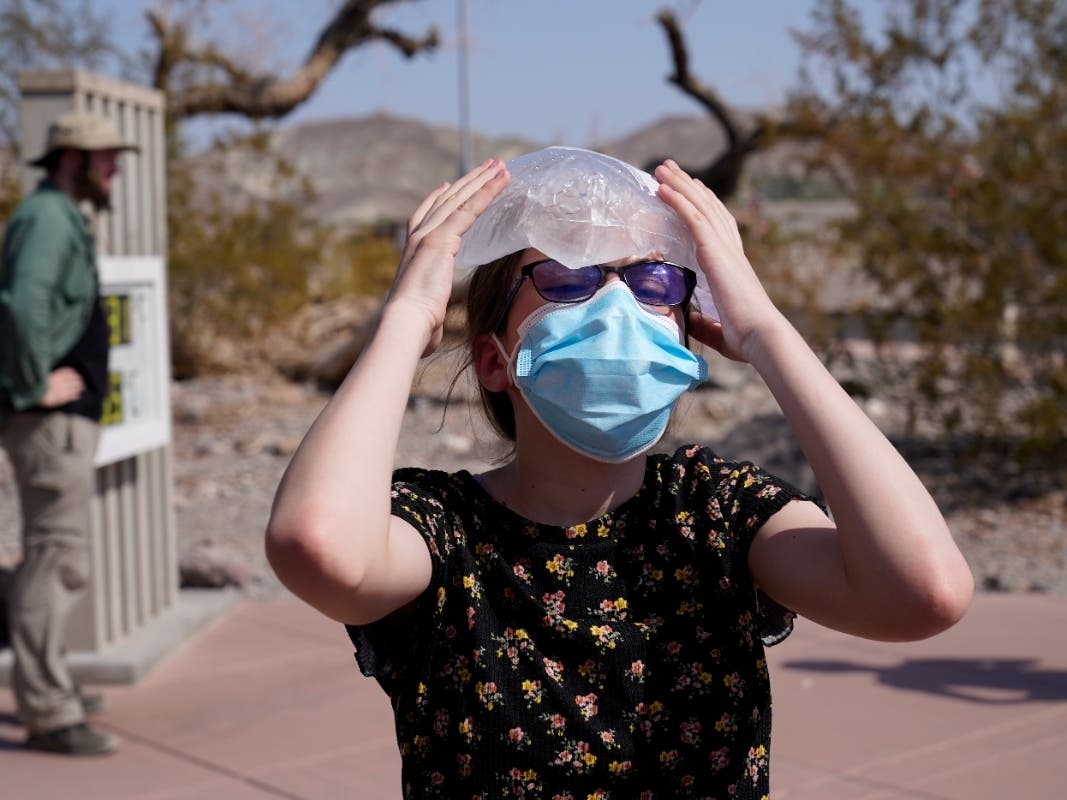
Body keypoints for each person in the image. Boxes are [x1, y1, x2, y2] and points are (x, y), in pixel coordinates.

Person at [265, 147, 974, 797]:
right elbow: (316, 545)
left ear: (689, 334)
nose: (615, 305)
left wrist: (765, 333)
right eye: (567, 278)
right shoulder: (444, 530)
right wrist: (410, 313)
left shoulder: (715, 512)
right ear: (493, 360)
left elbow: (922, 593)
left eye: (652, 280)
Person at [0, 111, 138, 756]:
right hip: (47, 419)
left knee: (60, 558)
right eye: (106, 156)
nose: (115, 168)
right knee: (54, 558)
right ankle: (48, 710)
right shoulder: (48, 218)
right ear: (73, 159)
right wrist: (31, 386)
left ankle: (48, 683)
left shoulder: (57, 216)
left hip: (61, 422)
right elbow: (22, 305)